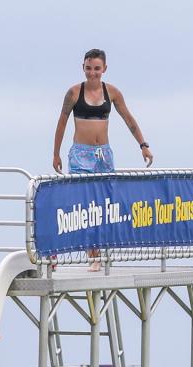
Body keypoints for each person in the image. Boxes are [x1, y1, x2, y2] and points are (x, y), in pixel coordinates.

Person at [52, 48, 153, 271]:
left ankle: (100, 251)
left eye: (97, 69)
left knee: (103, 204)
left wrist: (143, 145)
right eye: (88, 68)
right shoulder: (74, 93)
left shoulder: (113, 93)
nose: (92, 73)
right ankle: (89, 255)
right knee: (83, 204)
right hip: (81, 154)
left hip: (103, 154)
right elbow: (62, 123)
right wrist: (56, 153)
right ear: (83, 68)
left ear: (104, 69)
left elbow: (129, 119)